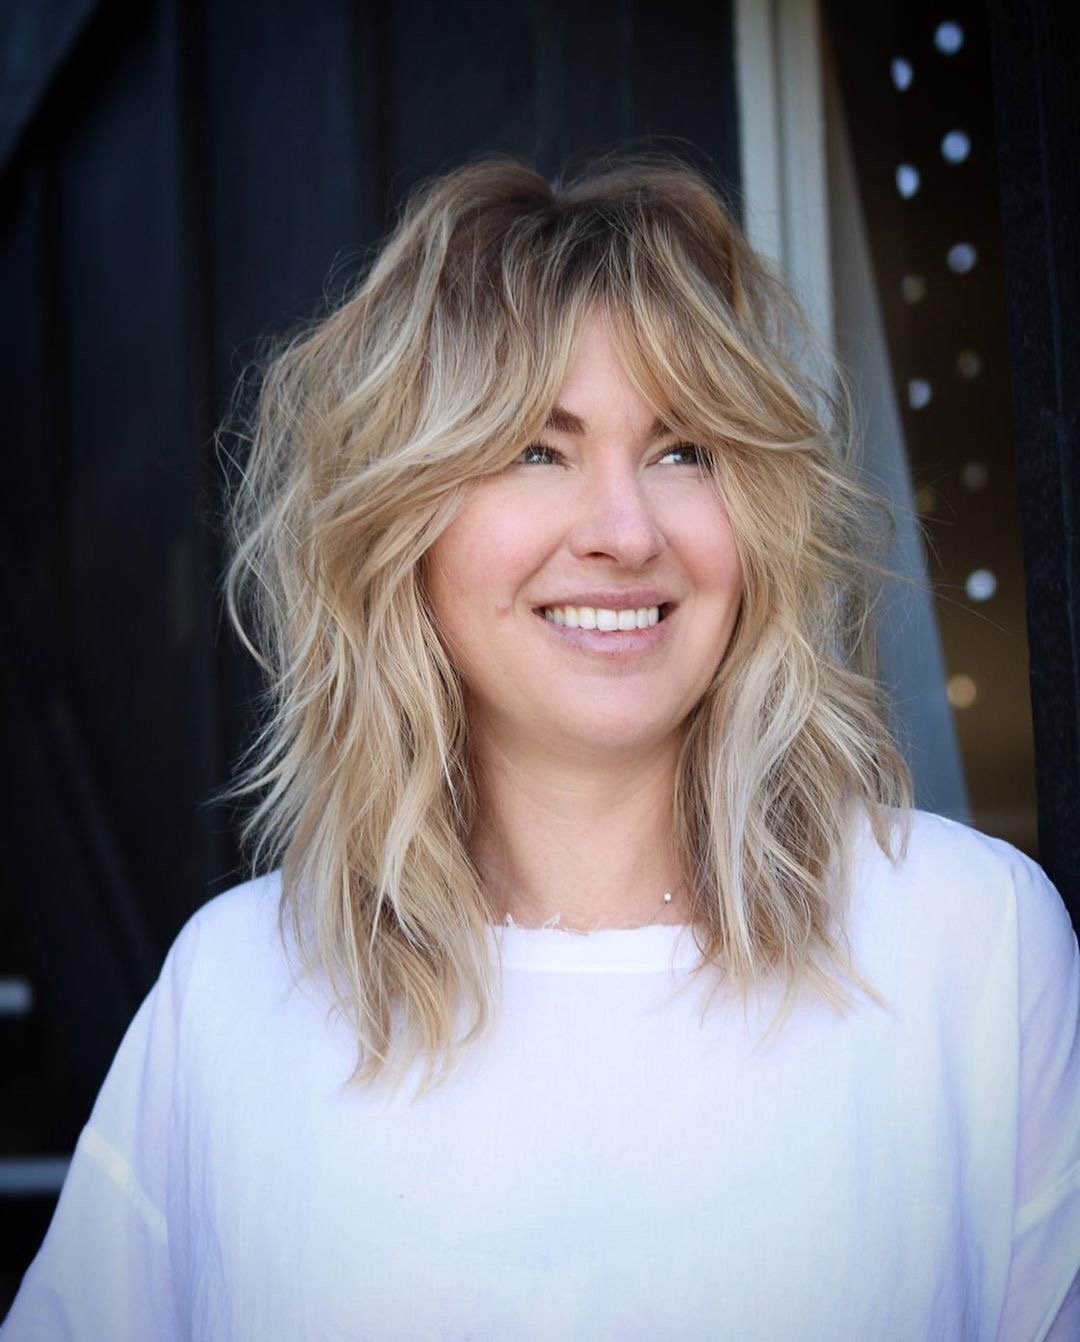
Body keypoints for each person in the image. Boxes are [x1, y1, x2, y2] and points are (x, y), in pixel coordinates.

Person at [4, 156, 1079, 1341]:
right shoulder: (238, 989)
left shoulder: (970, 943)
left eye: (685, 449)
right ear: (398, 526)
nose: (625, 532)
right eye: (535, 450)